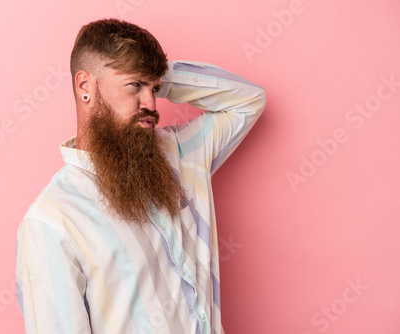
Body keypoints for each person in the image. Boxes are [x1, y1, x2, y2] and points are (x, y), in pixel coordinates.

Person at [16, 18, 266, 334]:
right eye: (135, 85)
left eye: (156, 88)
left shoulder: (181, 153)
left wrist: (158, 72)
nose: (151, 103)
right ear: (85, 86)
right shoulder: (52, 221)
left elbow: (248, 101)